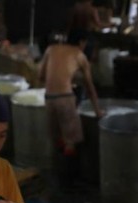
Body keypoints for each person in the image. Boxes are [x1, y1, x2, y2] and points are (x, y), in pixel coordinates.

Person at [38, 28, 102, 188]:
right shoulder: (80, 55)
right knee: (72, 140)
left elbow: (40, 76)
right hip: (65, 98)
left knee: (57, 138)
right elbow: (90, 87)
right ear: (82, 42)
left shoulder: (51, 49)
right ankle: (69, 183)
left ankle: (58, 178)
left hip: (49, 98)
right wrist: (98, 111)